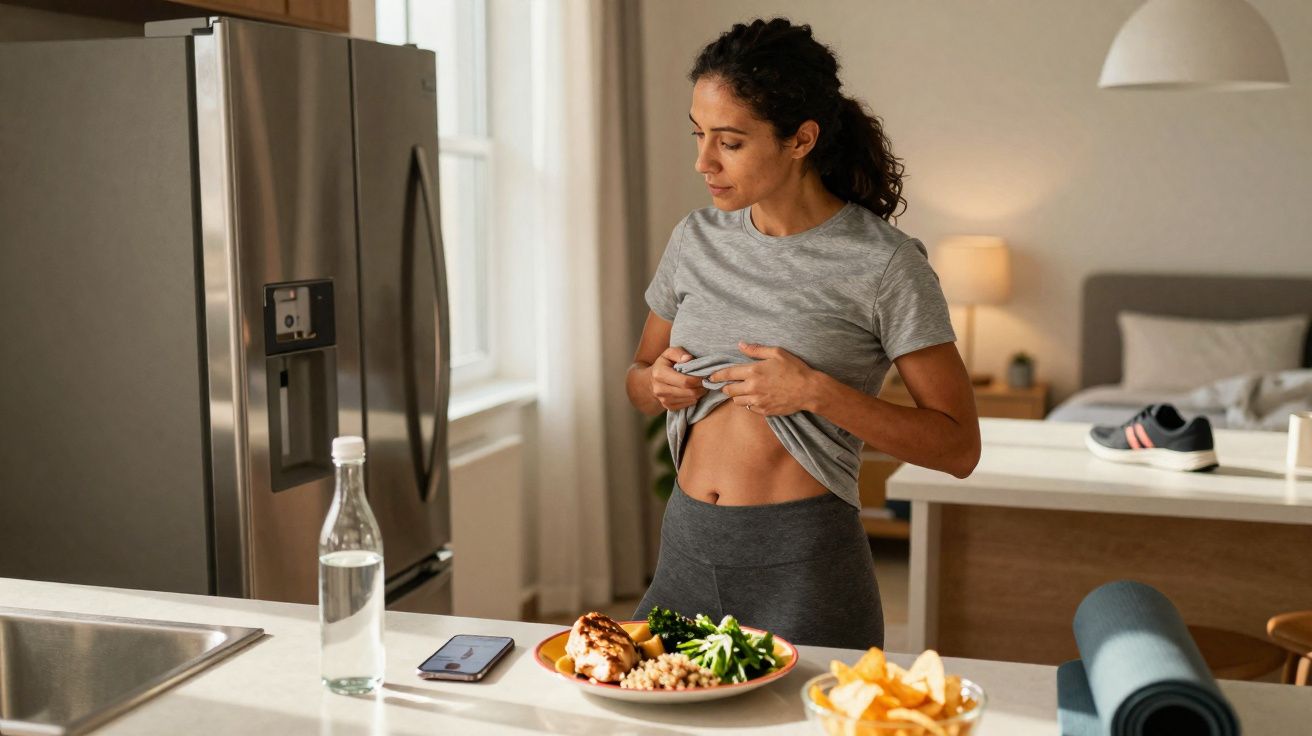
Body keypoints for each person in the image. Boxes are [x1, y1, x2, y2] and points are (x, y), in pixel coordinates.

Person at [625, 17, 980, 649]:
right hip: (686, 549)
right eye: (699, 135)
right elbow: (637, 379)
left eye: (729, 142)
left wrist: (815, 392)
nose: (703, 161)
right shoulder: (694, 238)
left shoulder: (885, 264)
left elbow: (958, 449)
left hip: (802, 563)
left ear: (801, 139)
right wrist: (657, 383)